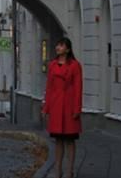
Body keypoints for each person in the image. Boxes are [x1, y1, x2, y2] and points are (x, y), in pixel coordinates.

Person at [42, 38, 83, 178]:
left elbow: (78, 88)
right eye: (57, 44)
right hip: (56, 105)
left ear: (68, 49)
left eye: (61, 45)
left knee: (70, 140)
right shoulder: (52, 65)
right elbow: (49, 88)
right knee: (58, 140)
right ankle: (57, 170)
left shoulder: (75, 66)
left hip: (69, 105)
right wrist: (45, 107)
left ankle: (69, 171)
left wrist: (77, 108)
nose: (57, 47)